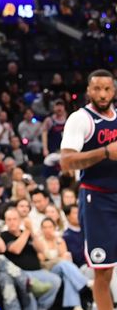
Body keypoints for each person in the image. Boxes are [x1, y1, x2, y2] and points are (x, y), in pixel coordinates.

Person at [60, 69, 117, 310]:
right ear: (88, 91)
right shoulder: (80, 119)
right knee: (103, 273)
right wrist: (105, 152)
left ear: (114, 91)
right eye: (97, 89)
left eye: (107, 89)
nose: (102, 94)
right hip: (98, 200)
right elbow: (66, 162)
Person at [0, 208, 61, 310]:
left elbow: (41, 250)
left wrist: (31, 230)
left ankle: (42, 307)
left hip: (37, 271)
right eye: (9, 219)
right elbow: (16, 249)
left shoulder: (28, 233)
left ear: (20, 220)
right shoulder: (4, 235)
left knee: (55, 280)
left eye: (14, 219)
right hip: (20, 274)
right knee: (30, 297)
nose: (12, 222)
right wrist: (27, 231)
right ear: (5, 221)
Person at [37, 218, 89, 309]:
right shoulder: (39, 242)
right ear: (41, 229)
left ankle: (75, 306)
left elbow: (65, 256)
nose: (47, 229)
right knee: (63, 264)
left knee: (67, 275)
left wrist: (57, 239)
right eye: (44, 227)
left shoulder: (59, 240)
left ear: (54, 228)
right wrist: (58, 259)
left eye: (50, 227)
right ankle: (85, 283)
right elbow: (42, 261)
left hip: (60, 268)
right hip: (47, 271)